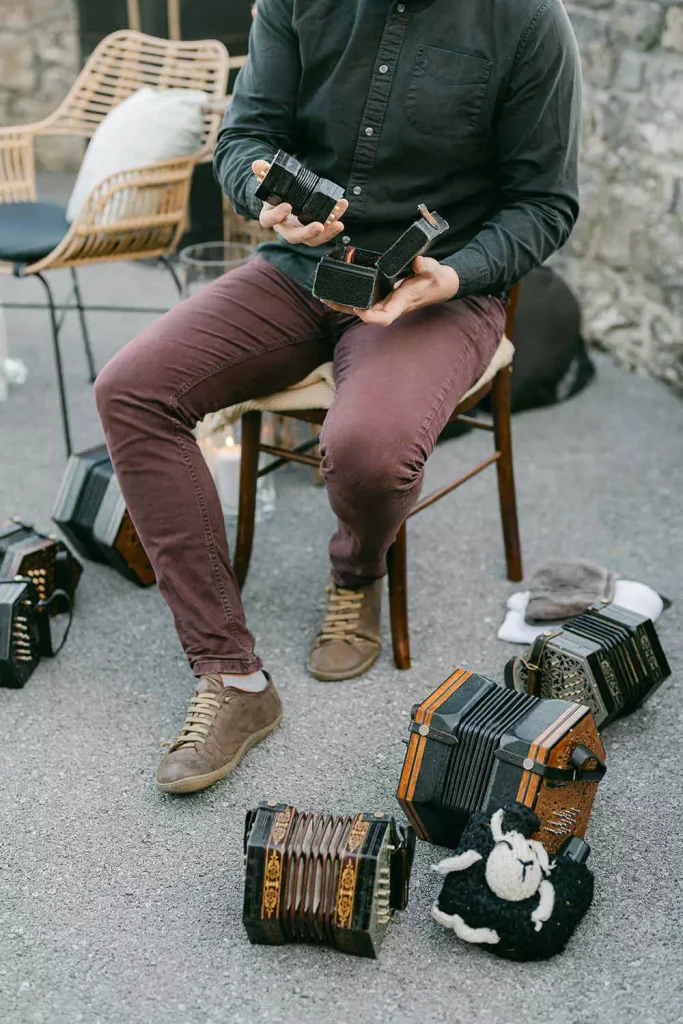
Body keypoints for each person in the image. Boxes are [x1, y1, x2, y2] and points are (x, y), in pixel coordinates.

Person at [95, 0, 581, 795]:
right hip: (300, 271)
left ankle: (355, 574)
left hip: (439, 288)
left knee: (368, 450)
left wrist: (452, 276)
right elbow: (244, 139)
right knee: (132, 389)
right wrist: (266, 198)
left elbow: (545, 203)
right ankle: (233, 678)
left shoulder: (526, 20)